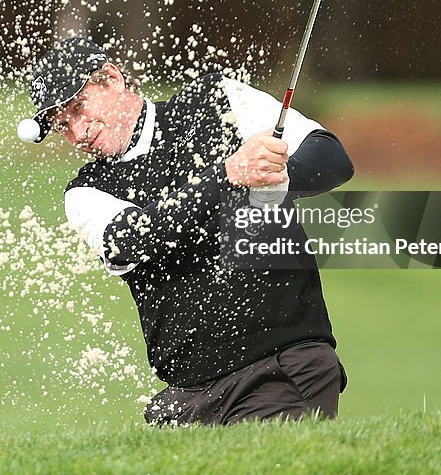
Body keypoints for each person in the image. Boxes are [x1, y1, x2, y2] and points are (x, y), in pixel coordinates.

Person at [18, 36, 354, 425]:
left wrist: (273, 182)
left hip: (279, 365)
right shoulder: (86, 192)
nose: (78, 133)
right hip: (187, 396)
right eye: (63, 125)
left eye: (79, 107)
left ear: (112, 79)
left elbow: (330, 157)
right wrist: (229, 177)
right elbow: (136, 238)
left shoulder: (218, 100)